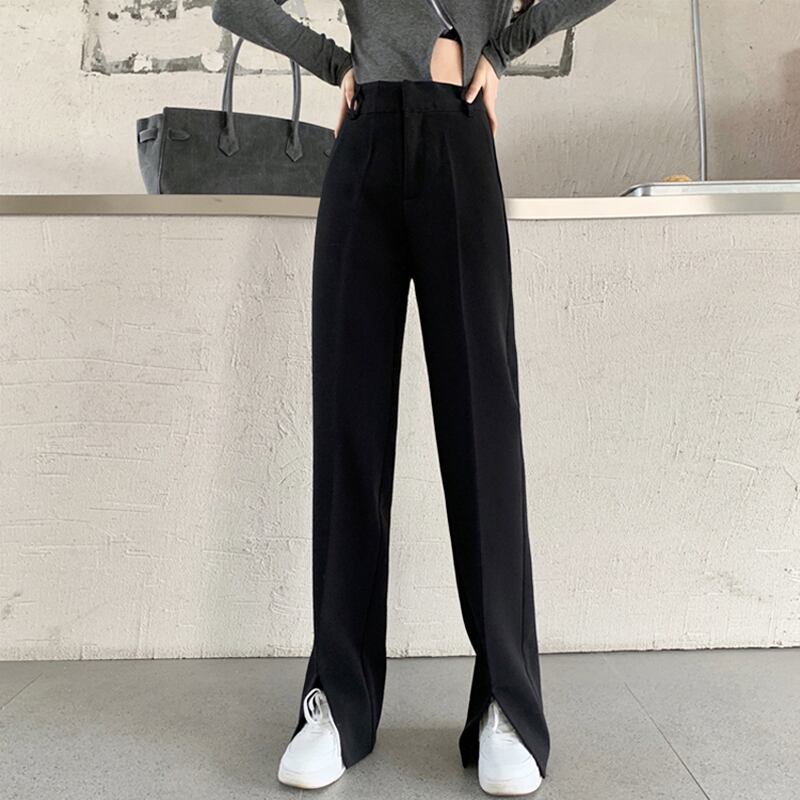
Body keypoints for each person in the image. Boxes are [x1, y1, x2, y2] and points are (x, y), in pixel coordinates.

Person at [211, 0, 618, 795]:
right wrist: (337, 64)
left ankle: (507, 700)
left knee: (483, 436)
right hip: (364, 143)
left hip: (458, 140)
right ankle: (339, 700)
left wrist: (500, 50)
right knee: (348, 431)